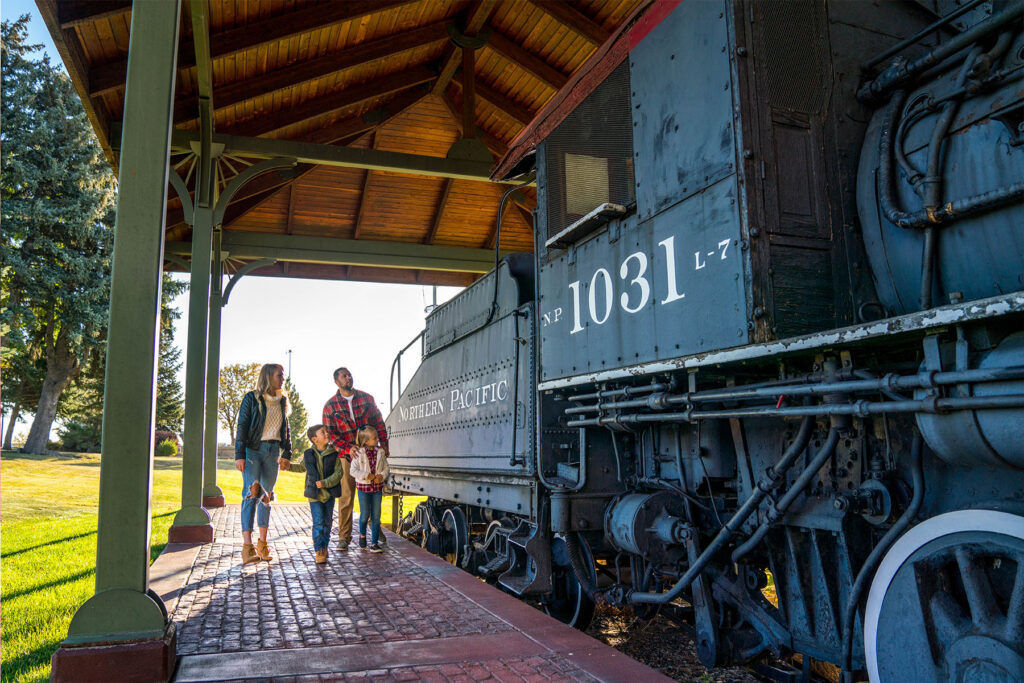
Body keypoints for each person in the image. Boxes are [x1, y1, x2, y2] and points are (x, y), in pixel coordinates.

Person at [322, 367, 389, 550]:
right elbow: (331, 434)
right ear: (337, 381)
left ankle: (374, 529)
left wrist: (384, 444)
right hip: (347, 456)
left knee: (373, 491)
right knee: (347, 496)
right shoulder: (330, 406)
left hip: (371, 454)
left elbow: (379, 423)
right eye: (344, 376)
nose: (348, 377)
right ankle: (344, 537)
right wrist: (347, 447)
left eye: (349, 374)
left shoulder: (367, 399)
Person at [234, 363, 292, 564]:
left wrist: (288, 452)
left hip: (273, 451)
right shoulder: (252, 398)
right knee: (252, 493)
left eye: (282, 375)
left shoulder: (282, 401)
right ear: (268, 376)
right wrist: (239, 453)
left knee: (266, 496)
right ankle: (247, 547)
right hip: (252, 450)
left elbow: (286, 429)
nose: (282, 378)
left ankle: (263, 544)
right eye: (279, 375)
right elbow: (242, 425)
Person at [299, 424, 346, 564]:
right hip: (315, 496)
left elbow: (339, 473)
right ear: (315, 439)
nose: (327, 434)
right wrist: (287, 465)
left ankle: (324, 546)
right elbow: (301, 467)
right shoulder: (308, 454)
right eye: (323, 432)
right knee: (318, 522)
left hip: (329, 495)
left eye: (326, 431)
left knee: (327, 522)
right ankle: (319, 550)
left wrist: (325, 483)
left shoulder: (334, 454)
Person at [349, 425, 389, 553]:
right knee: (365, 515)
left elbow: (386, 468)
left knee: (376, 517)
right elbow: (353, 471)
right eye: (375, 438)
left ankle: (374, 544)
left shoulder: (381, 452)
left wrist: (381, 476)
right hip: (363, 489)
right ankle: (362, 535)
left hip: (377, 489)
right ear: (366, 441)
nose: (378, 439)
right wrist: (367, 475)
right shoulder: (359, 453)